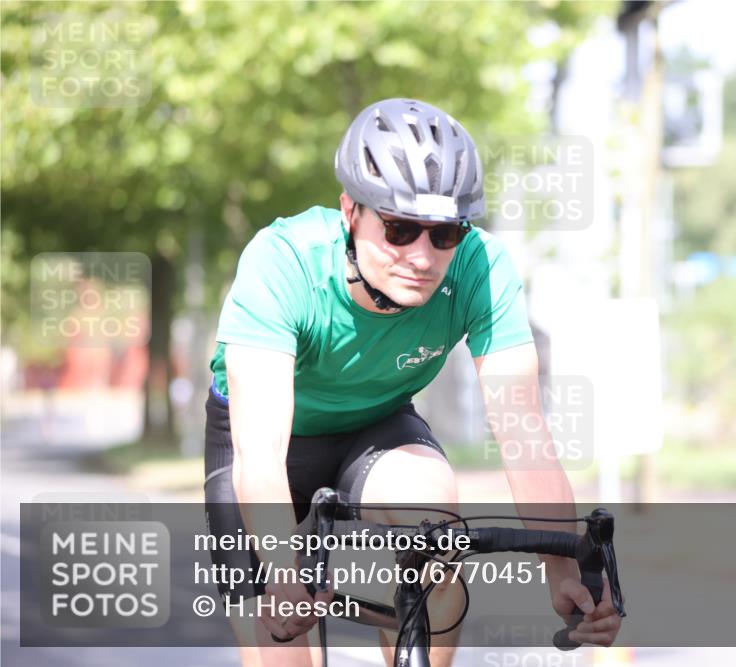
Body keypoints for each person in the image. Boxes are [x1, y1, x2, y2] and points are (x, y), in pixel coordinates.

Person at [203, 98, 621, 667]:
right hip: (264, 442)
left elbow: (524, 434)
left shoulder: (481, 267)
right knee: (282, 646)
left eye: (444, 233)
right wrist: (281, 573)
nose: (422, 256)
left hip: (374, 425)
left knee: (434, 525)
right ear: (350, 211)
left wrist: (564, 569)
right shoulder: (282, 262)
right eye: (399, 229)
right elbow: (262, 453)